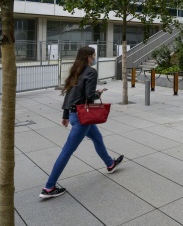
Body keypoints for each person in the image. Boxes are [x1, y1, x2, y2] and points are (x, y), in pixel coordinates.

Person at [40, 46, 123, 199]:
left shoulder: (76, 70)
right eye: (94, 55)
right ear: (89, 57)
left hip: (74, 114)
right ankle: (49, 187)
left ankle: (110, 164)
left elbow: (69, 95)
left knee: (97, 137)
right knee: (67, 151)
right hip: (82, 118)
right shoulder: (91, 71)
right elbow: (89, 96)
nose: (95, 57)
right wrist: (99, 93)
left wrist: (65, 115)